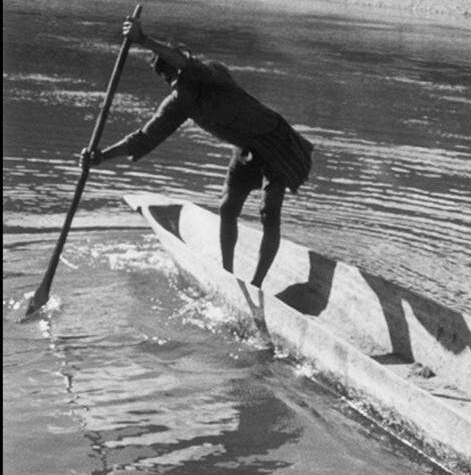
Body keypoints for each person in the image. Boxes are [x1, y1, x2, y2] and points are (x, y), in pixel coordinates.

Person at [81, 16, 313, 288]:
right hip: (247, 148)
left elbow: (187, 65)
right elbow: (143, 138)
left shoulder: (212, 73)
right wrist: (100, 156)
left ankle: (257, 284)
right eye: (171, 80)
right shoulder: (180, 103)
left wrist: (144, 40)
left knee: (268, 211)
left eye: (178, 75)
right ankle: (227, 275)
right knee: (227, 207)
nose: (178, 84)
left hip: (274, 140)